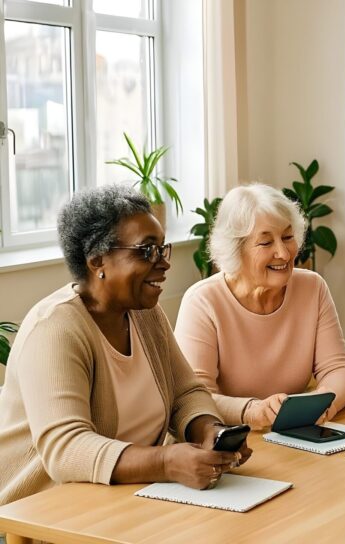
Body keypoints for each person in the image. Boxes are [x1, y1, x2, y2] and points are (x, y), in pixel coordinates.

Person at [0, 185, 248, 507]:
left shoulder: (145, 314)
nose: (163, 263)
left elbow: (185, 393)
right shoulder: (55, 330)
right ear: (97, 261)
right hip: (38, 514)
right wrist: (166, 462)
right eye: (146, 251)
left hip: (124, 501)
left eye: (162, 248)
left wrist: (208, 433)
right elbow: (67, 449)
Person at [174, 183, 345, 429]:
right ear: (235, 249)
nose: (283, 253)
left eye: (287, 237)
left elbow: (342, 370)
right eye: (265, 243)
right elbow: (192, 400)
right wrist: (251, 411)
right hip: (229, 440)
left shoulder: (312, 288)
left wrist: (324, 401)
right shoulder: (203, 302)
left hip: (294, 433)